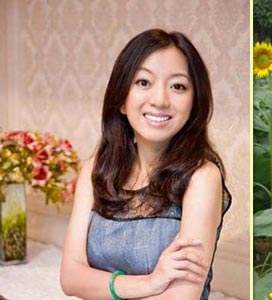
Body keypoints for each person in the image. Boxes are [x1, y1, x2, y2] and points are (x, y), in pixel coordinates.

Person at [60, 29, 231, 300]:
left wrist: (102, 286)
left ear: (194, 103)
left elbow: (180, 297)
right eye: (143, 82)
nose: (160, 100)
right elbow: (70, 278)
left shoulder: (201, 177)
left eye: (178, 86)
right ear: (121, 100)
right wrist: (150, 283)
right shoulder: (96, 168)